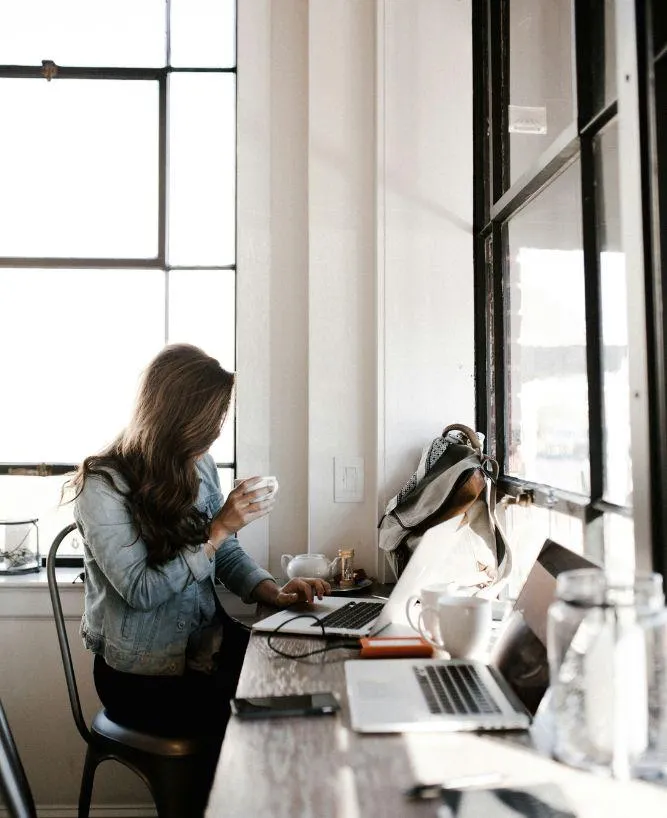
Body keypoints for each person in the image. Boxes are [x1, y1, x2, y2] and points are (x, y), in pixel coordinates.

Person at [70, 343, 330, 750]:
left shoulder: (198, 465)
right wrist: (218, 529)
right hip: (142, 679)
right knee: (276, 719)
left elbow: (224, 553)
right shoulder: (102, 486)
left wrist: (273, 593)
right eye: (210, 422)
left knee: (311, 675)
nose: (215, 433)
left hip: (205, 652)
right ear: (175, 418)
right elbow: (142, 591)